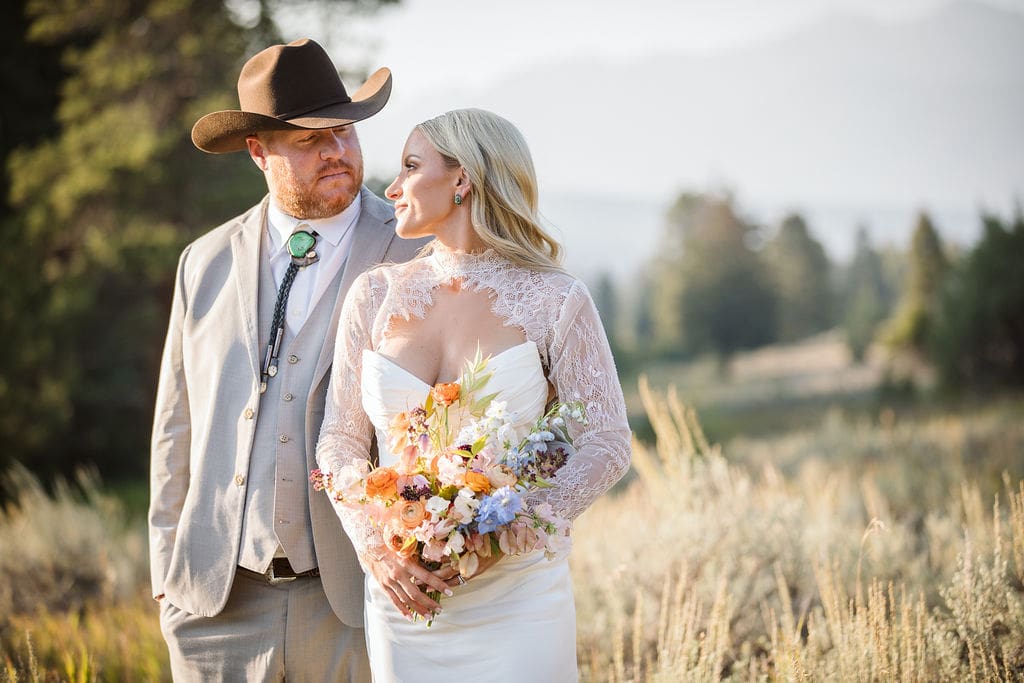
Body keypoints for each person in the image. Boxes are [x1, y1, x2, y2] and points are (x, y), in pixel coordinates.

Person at [315, 108, 632, 681]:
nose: (390, 189)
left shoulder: (555, 298)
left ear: (462, 180)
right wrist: (376, 551)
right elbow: (339, 442)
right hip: (405, 598)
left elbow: (607, 441)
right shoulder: (375, 296)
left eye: (411, 166)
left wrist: (512, 526)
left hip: (518, 597)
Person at [148, 38, 427, 681]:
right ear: (257, 152)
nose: (336, 151)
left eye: (343, 132)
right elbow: (175, 430)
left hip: (359, 603)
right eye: (308, 140)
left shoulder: (415, 256)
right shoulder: (205, 262)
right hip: (215, 610)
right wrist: (168, 573)